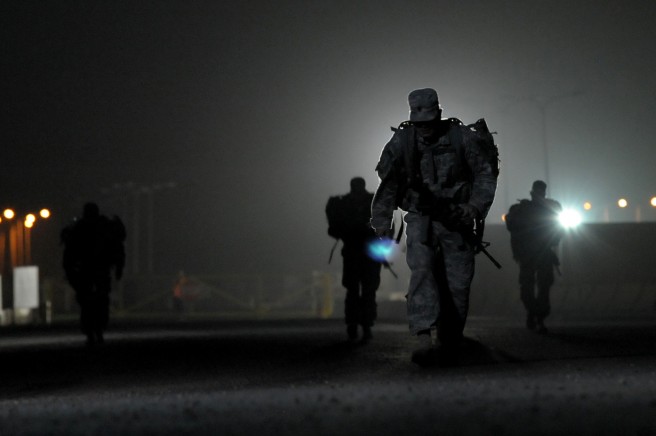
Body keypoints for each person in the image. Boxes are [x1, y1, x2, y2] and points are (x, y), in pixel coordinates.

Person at [371, 88, 498, 365]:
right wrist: (381, 221)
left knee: (459, 282)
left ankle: (450, 338)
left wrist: (474, 208)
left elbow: (484, 175)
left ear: (438, 114)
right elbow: (389, 182)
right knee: (422, 269)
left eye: (429, 122)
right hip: (421, 217)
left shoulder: (460, 137)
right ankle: (422, 335)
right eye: (419, 123)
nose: (424, 129)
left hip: (457, 220)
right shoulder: (403, 141)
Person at [326, 177, 383, 342]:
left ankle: (356, 325)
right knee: (366, 291)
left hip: (354, 252)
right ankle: (364, 326)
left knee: (357, 291)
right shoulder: (372, 202)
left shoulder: (345, 203)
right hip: (366, 253)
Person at [61, 202, 126, 345]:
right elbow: (118, 248)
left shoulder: (82, 227)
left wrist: (70, 271)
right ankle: (93, 330)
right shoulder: (93, 227)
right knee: (92, 301)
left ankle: (94, 330)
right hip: (91, 270)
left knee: (93, 301)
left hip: (93, 270)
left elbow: (117, 247)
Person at [505, 180, 563, 334]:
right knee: (528, 287)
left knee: (543, 286)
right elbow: (511, 225)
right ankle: (534, 313)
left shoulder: (549, 208)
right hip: (529, 254)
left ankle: (538, 316)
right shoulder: (523, 209)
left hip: (542, 253)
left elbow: (559, 229)